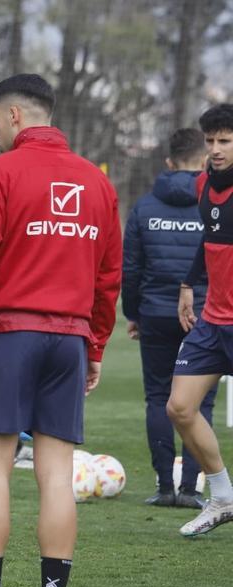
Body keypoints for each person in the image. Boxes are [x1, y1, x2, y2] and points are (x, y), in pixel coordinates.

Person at [0, 74, 121, 587]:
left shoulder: (3, 172)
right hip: (68, 340)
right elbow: (108, 277)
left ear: (15, 115)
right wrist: (94, 346)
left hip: (9, 336)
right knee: (56, 476)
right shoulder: (96, 181)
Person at [123, 128, 214, 509]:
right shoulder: (216, 204)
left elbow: (129, 268)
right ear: (205, 160)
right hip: (207, 314)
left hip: (155, 313)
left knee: (159, 396)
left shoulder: (145, 207)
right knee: (201, 403)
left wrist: (133, 313)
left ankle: (164, 487)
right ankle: (191, 489)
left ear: (169, 163)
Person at [168, 103, 233, 536]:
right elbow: (209, 241)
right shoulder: (204, 183)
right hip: (213, 321)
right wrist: (188, 284)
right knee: (180, 407)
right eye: (210, 141)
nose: (215, 148)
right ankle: (223, 497)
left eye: (225, 141)